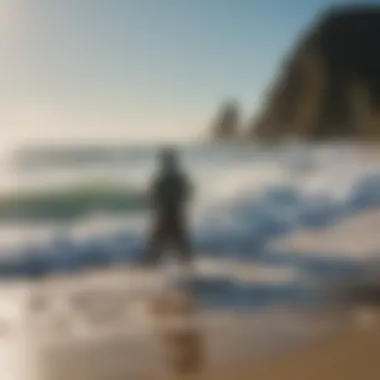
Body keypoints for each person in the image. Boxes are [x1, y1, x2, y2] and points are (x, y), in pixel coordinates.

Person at [145, 147, 193, 266]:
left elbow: (154, 195)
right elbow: (188, 192)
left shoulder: (163, 178)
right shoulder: (178, 177)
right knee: (180, 245)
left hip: (166, 216)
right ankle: (188, 268)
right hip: (175, 215)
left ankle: (150, 268)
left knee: (159, 244)